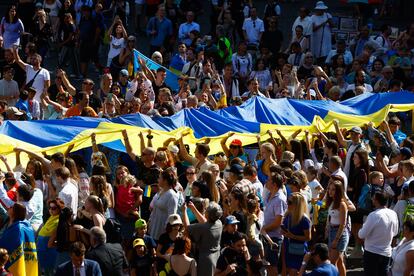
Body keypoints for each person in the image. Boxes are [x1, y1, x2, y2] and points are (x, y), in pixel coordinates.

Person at [358, 191, 399, 276]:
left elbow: (361, 234)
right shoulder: (393, 213)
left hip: (371, 253)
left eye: (373, 198)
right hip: (386, 253)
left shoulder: (374, 215)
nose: (372, 200)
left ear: (376, 200)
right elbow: (395, 232)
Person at [183, 202, 223, 276]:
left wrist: (184, 211)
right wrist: (193, 208)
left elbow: (187, 227)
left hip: (205, 261)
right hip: (216, 256)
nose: (205, 210)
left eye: (206, 210)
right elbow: (205, 221)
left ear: (208, 214)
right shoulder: (219, 223)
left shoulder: (203, 228)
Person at [261, 172, 287, 276]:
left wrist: (264, 229)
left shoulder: (279, 199)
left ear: (275, 184)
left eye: (268, 180)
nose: (266, 181)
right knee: (268, 265)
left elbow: (278, 222)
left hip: (274, 238)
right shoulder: (268, 194)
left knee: (273, 268)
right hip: (267, 236)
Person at [282, 192, 312, 276]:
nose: (287, 204)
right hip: (287, 247)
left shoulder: (304, 219)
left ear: (297, 205)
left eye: (290, 202)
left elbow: (308, 238)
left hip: (298, 251)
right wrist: (283, 232)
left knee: (294, 273)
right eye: (287, 201)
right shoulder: (288, 215)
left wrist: (293, 236)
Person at [325, 181, 350, 276]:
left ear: (339, 191)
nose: (330, 192)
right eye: (329, 189)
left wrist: (336, 239)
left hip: (339, 233)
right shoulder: (332, 201)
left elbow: (342, 224)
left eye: (333, 190)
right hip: (332, 230)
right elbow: (325, 209)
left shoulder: (342, 204)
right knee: (339, 262)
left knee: (332, 262)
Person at [148, 168, 180, 240]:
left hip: (162, 233)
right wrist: (150, 221)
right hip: (154, 228)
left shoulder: (172, 195)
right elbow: (154, 208)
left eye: (159, 178)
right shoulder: (160, 192)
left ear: (165, 181)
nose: (158, 180)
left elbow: (172, 216)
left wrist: (165, 233)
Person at [37, 198, 65, 276]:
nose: (50, 210)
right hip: (42, 252)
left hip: (49, 254)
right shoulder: (52, 217)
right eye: (49, 208)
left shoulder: (58, 221)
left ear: (59, 209)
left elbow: (53, 241)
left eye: (53, 208)